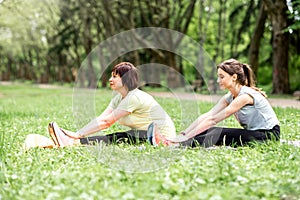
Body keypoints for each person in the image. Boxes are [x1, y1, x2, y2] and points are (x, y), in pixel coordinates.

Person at [149, 58, 280, 148]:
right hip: (256, 133)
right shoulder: (230, 96)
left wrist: (182, 139)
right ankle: (176, 142)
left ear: (234, 77)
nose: (218, 80)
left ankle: (175, 145)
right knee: (209, 130)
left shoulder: (245, 96)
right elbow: (208, 115)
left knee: (217, 132)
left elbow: (213, 120)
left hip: (268, 135)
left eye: (222, 77)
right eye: (218, 76)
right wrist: (183, 134)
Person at [49, 62, 176, 147]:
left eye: (115, 77)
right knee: (122, 136)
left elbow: (107, 122)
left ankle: (73, 142)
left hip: (161, 137)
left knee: (121, 137)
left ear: (126, 79)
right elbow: (102, 118)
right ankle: (72, 141)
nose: (110, 80)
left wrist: (78, 134)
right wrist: (78, 132)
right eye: (111, 76)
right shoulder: (118, 98)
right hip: (142, 133)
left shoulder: (134, 97)